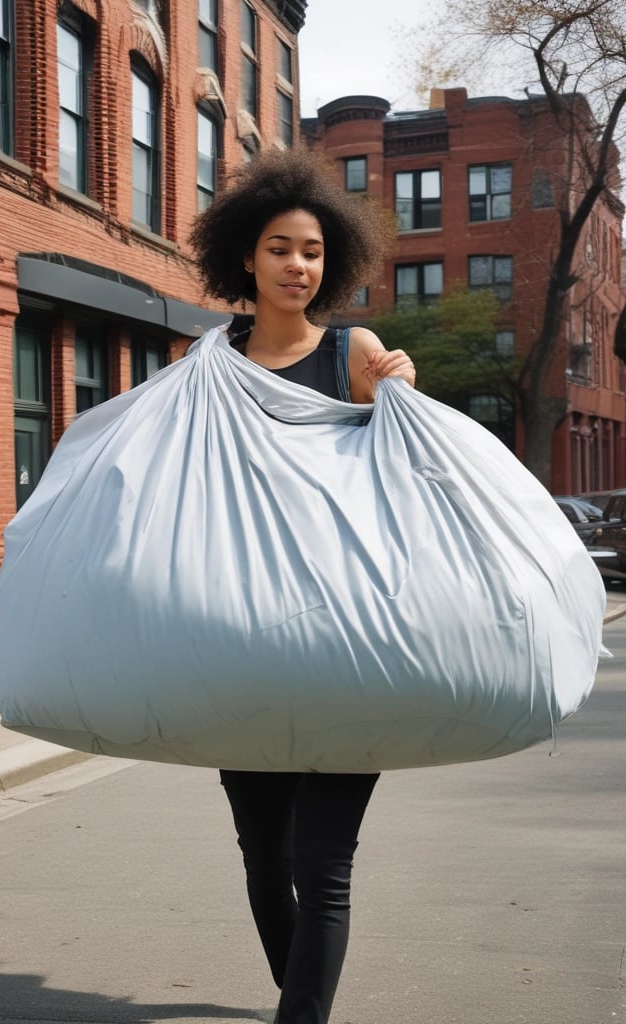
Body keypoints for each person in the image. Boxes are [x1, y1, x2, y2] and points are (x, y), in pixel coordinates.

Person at [188, 148, 416, 1024]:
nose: (297, 266)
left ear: (333, 263)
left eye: (313, 251)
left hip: (348, 642)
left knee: (324, 868)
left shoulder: (353, 354)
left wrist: (402, 394)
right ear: (246, 256)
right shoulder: (208, 365)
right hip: (246, 647)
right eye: (280, 248)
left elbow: (405, 471)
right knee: (261, 860)